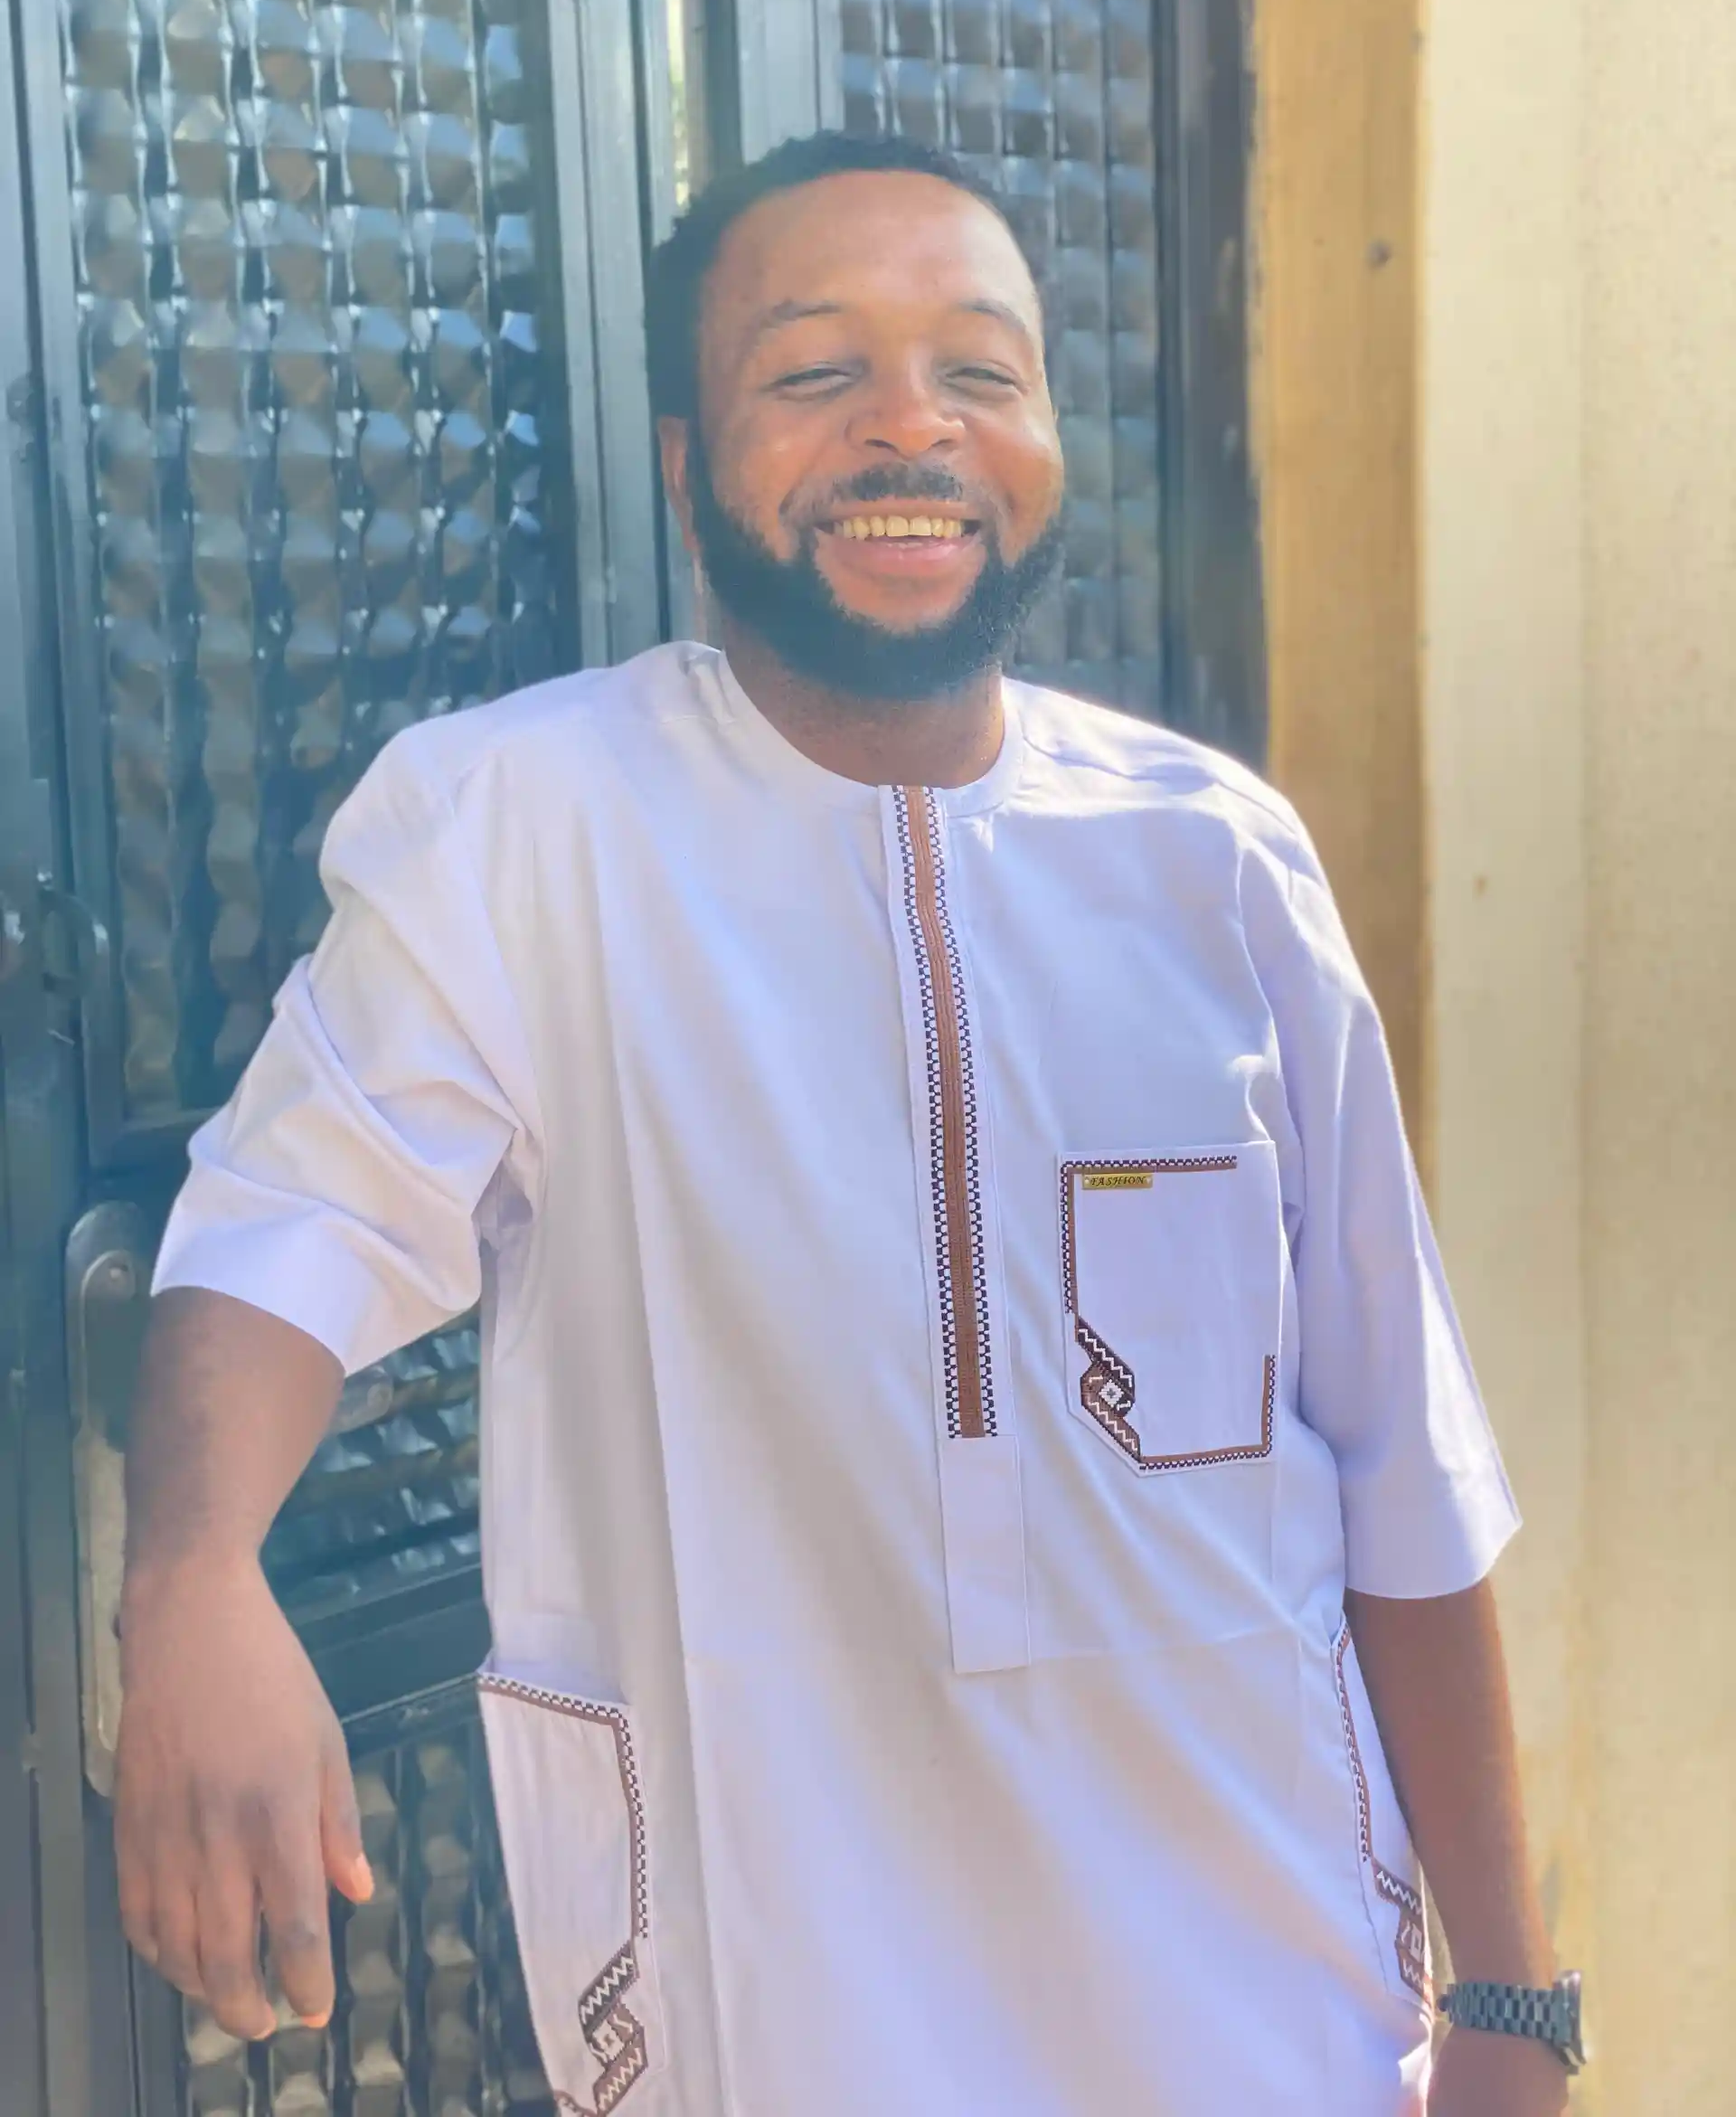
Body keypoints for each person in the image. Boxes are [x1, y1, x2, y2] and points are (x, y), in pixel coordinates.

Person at [117, 133, 1578, 2116]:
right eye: (815, 371)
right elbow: (291, 1219)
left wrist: (1512, 2000)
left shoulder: (1217, 861)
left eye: (981, 369)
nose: (912, 425)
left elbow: (1400, 1457)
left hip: (1275, 2014)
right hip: (781, 2007)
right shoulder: (522, 836)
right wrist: (196, 1574)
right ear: (685, 462)